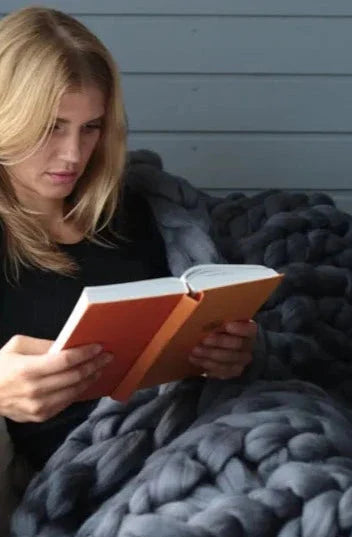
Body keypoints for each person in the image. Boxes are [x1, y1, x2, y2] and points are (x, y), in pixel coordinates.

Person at [0, 6, 257, 470]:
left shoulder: (143, 208)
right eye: (51, 127)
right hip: (95, 470)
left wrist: (234, 354)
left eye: (90, 127)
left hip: (205, 430)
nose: (72, 154)